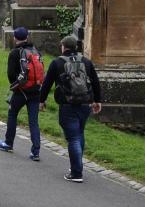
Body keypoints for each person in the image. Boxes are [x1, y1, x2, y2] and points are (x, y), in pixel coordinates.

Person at [38, 34, 103, 183]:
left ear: (63, 47)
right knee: (79, 134)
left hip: (67, 105)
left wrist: (41, 101)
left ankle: (76, 173)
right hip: (85, 104)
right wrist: (97, 100)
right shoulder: (86, 62)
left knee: (73, 138)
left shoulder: (57, 63)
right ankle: (77, 166)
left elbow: (47, 83)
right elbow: (95, 82)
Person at [0, 26, 44, 161]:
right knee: (33, 122)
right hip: (36, 91)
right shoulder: (36, 52)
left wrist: (15, 86)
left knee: (12, 114)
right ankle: (36, 152)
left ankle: (8, 143)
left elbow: (11, 74)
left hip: (21, 91)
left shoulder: (15, 53)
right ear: (27, 37)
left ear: (15, 38)